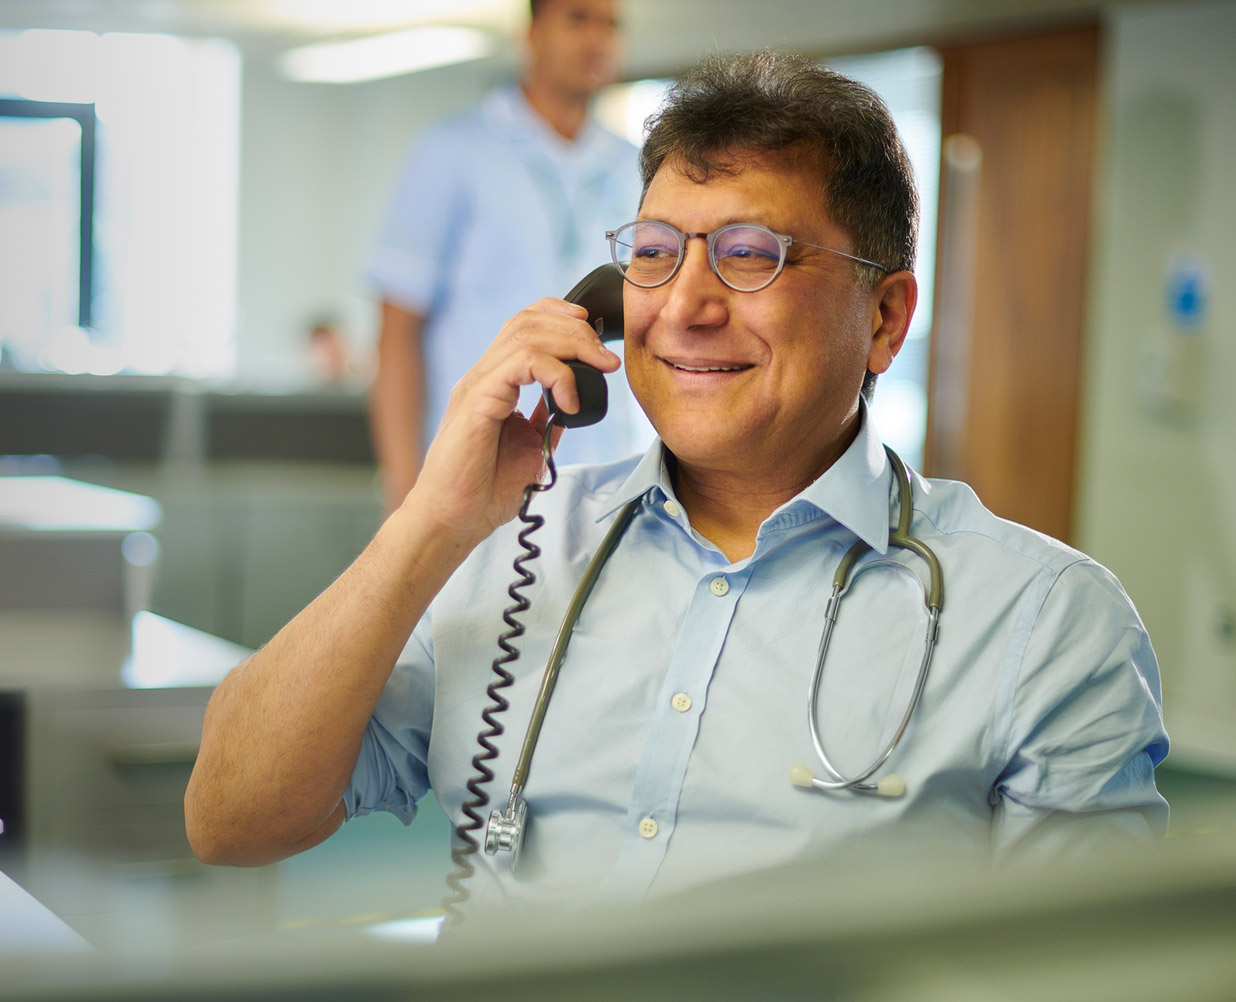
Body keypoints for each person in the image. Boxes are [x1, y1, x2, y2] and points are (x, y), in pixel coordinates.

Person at [187, 51, 1167, 918]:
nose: (686, 306)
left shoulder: (1046, 623)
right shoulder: (517, 551)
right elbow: (229, 817)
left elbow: (1096, 970)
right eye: (655, 254)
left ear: (883, 316)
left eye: (751, 256)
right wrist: (428, 526)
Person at [367, 0, 648, 515]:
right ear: (532, 33)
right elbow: (397, 330)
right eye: (578, 18)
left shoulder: (634, 164)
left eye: (611, 24)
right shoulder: (454, 150)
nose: (597, 40)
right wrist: (406, 499)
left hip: (608, 481)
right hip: (476, 473)